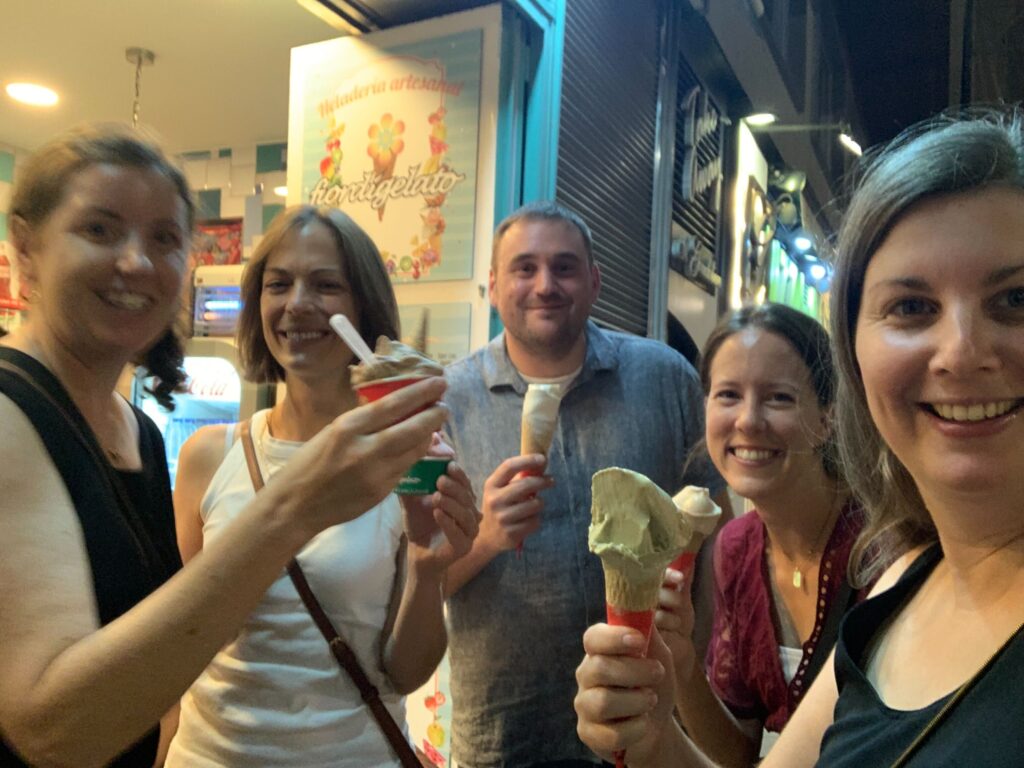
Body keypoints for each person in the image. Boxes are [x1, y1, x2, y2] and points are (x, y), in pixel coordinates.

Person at [574, 109, 1024, 766]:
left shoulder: (870, 561)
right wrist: (654, 733)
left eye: (1016, 299)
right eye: (911, 307)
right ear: (858, 355)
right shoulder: (904, 583)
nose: (961, 352)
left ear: (827, 411)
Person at [0, 127, 448, 767]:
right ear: (26, 244)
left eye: (164, 239)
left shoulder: (136, 434)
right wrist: (298, 502)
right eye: (99, 229)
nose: (136, 262)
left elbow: (157, 644)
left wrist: (434, 560)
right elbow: (56, 728)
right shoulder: (15, 413)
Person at [166, 205, 479, 767]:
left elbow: (404, 673)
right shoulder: (207, 460)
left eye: (327, 285)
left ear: (363, 307)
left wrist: (430, 569)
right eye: (278, 284)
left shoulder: (407, 462)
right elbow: (181, 641)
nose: (297, 304)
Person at [442, 200, 731, 767]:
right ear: (494, 287)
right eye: (524, 268)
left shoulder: (664, 377)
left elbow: (715, 535)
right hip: (505, 731)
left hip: (649, 724)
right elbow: (418, 583)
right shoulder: (449, 402)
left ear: (595, 282)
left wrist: (697, 667)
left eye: (565, 267)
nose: (545, 284)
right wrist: (487, 539)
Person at [654, 304, 863, 766]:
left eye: (779, 398)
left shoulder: (880, 546)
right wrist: (683, 663)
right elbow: (737, 754)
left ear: (827, 416)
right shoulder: (734, 549)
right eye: (728, 395)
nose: (748, 420)